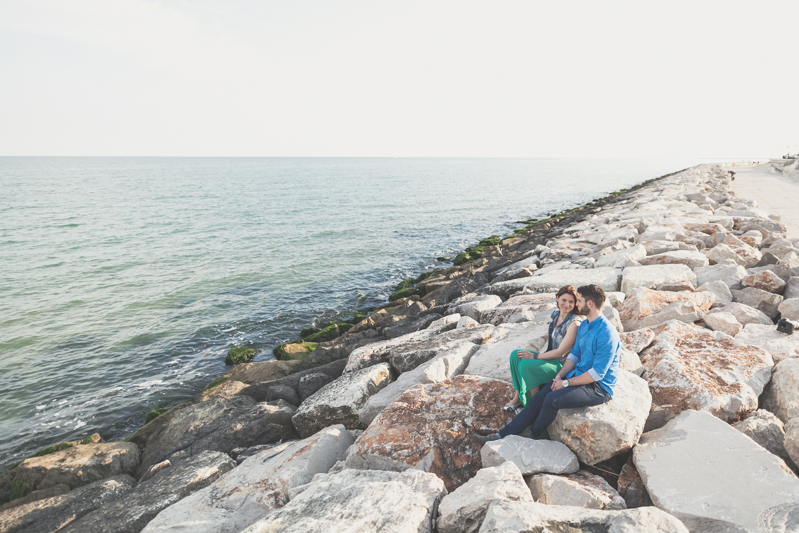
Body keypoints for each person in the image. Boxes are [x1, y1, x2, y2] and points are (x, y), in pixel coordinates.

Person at [477, 284, 620, 443]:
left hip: (598, 387)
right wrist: (559, 377)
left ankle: (533, 434)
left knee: (551, 400)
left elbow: (597, 374)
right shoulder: (585, 325)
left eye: (579, 301)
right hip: (579, 375)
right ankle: (501, 435)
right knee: (539, 399)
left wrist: (565, 383)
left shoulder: (607, 333)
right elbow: (574, 355)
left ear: (590, 304)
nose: (576, 304)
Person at [503, 285, 583, 412]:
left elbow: (561, 352)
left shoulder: (575, 323)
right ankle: (517, 397)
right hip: (551, 358)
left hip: (562, 366)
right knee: (515, 355)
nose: (567, 304)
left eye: (571, 302)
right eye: (564, 300)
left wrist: (534, 356)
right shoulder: (556, 315)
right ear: (557, 298)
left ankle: (532, 406)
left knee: (526, 365)